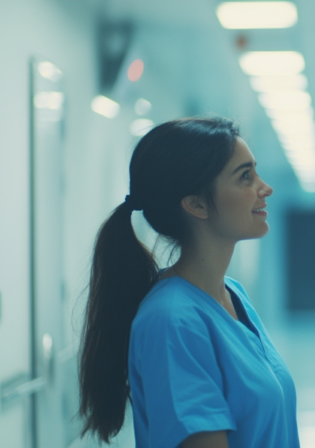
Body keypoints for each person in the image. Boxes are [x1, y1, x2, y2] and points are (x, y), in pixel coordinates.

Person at [79, 117, 300, 448]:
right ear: (196, 204)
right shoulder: (172, 321)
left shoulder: (233, 295)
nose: (264, 188)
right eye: (245, 177)